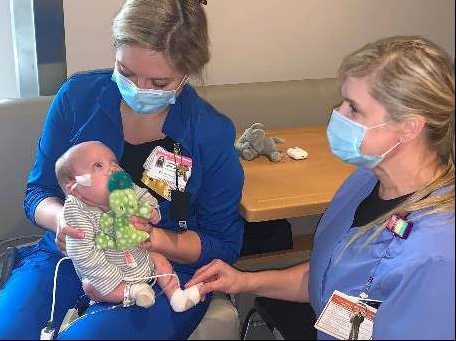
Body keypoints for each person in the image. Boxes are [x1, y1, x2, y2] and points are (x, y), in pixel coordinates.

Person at [0, 0, 244, 340]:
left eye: (157, 81)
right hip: (72, 255)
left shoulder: (210, 134)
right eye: (125, 72)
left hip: (161, 269)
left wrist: (151, 239)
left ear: (188, 73)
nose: (139, 89)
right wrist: (62, 222)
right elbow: (37, 193)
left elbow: (223, 242)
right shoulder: (78, 98)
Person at [186, 35, 455, 340]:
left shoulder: (435, 258)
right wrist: (242, 281)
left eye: (354, 109)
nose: (337, 115)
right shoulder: (366, 181)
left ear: (409, 127)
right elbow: (325, 278)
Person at [55, 141, 202, 312]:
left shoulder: (124, 187)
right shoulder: (77, 214)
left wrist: (152, 210)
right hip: (106, 266)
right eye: (98, 165)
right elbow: (85, 256)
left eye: (113, 162)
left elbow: (144, 196)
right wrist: (117, 279)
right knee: (90, 287)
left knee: (160, 260)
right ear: (76, 190)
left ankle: (177, 296)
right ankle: (131, 292)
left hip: (137, 253)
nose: (113, 169)